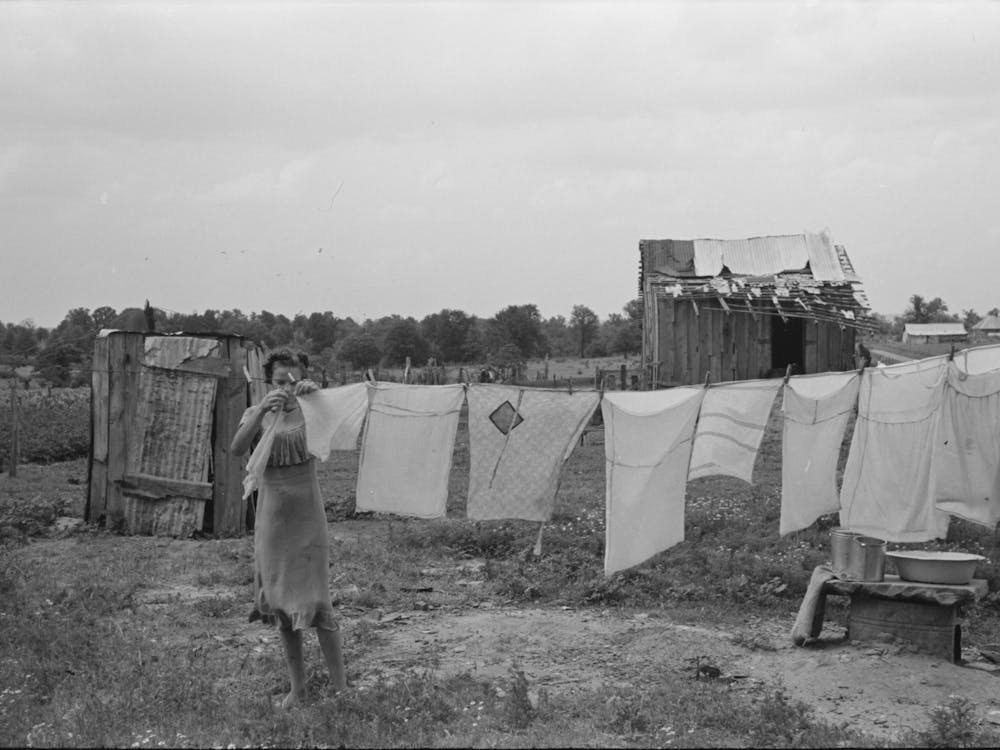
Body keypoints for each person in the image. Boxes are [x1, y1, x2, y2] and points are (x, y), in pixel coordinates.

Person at [230, 349, 346, 708]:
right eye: (279, 382)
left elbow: (342, 426)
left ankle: (341, 689)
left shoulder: (313, 410)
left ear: (302, 379)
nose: (285, 388)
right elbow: (236, 449)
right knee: (281, 605)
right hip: (272, 519)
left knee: (316, 601)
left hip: (308, 516)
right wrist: (263, 408)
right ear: (269, 382)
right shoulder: (257, 414)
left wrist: (319, 397)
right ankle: (299, 690)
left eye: (292, 381)